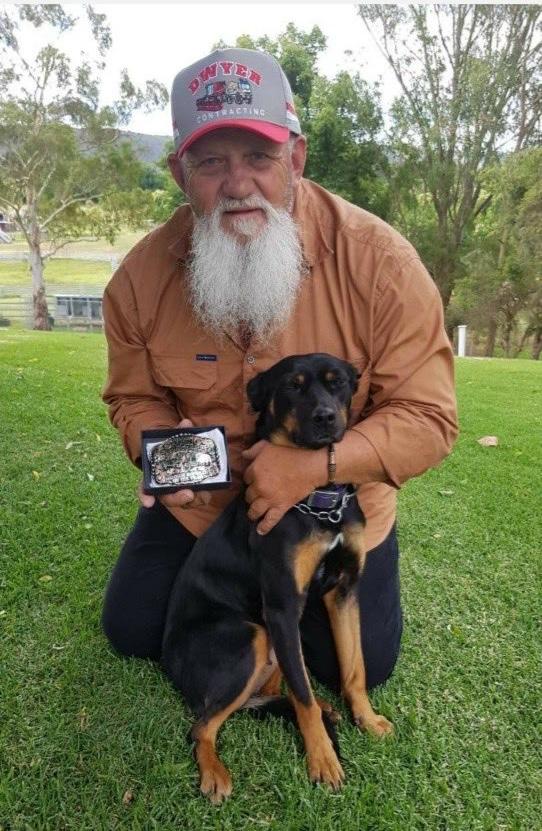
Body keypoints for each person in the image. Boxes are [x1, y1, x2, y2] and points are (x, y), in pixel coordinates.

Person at [101, 48, 457, 692]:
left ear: (295, 158)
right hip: (209, 511)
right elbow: (133, 398)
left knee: (361, 667)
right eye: (211, 163)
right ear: (180, 172)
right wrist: (161, 455)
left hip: (334, 500)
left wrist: (317, 467)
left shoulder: (382, 265)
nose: (238, 185)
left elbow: (428, 417)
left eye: (259, 158)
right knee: (131, 629)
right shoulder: (138, 280)